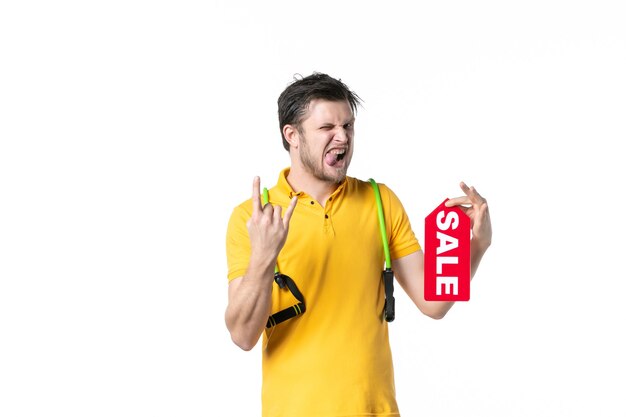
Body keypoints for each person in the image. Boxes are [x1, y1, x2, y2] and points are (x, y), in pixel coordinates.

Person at [225, 73, 492, 417]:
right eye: (327, 129)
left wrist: (477, 245)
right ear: (291, 135)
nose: (343, 137)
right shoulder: (253, 216)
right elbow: (243, 336)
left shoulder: (380, 202)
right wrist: (264, 256)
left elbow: (433, 303)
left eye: (348, 126)